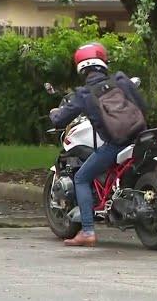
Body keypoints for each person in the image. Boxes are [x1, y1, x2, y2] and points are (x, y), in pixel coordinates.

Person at [49, 42, 148, 247]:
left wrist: (54, 114)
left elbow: (60, 119)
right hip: (142, 138)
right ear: (103, 62)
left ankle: (87, 231)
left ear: (81, 67)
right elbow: (143, 106)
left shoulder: (84, 94)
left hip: (117, 143)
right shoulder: (121, 80)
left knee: (82, 177)